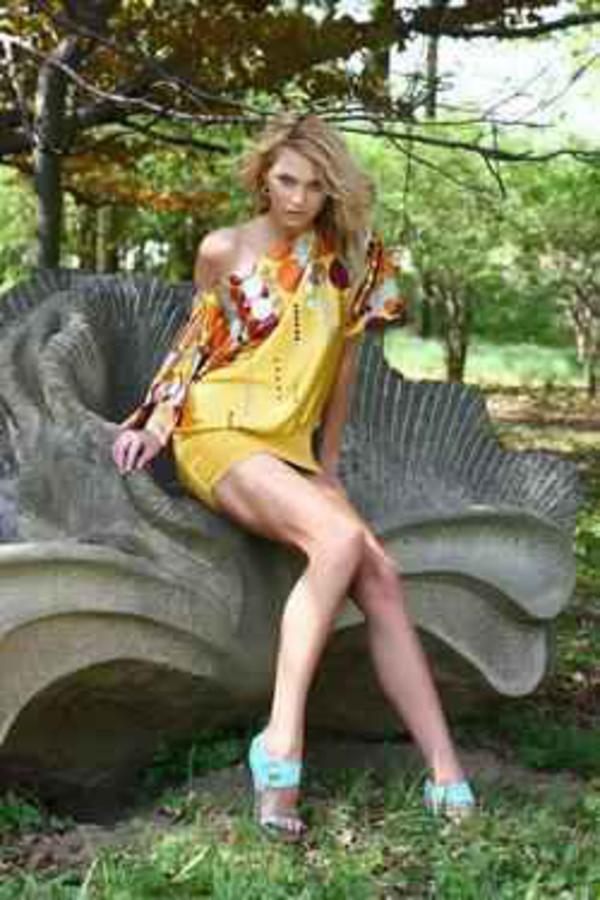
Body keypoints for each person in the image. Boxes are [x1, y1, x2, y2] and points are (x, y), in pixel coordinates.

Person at [112, 113, 475, 840]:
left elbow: (343, 369)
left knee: (380, 574)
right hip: (218, 431)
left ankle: (445, 771)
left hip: (290, 450)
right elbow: (196, 342)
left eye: (313, 186)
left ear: (331, 190)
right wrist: (154, 420)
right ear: (263, 176)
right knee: (339, 544)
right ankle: (281, 745)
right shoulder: (223, 248)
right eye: (285, 180)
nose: (297, 198)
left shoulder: (358, 261)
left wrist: (327, 469)